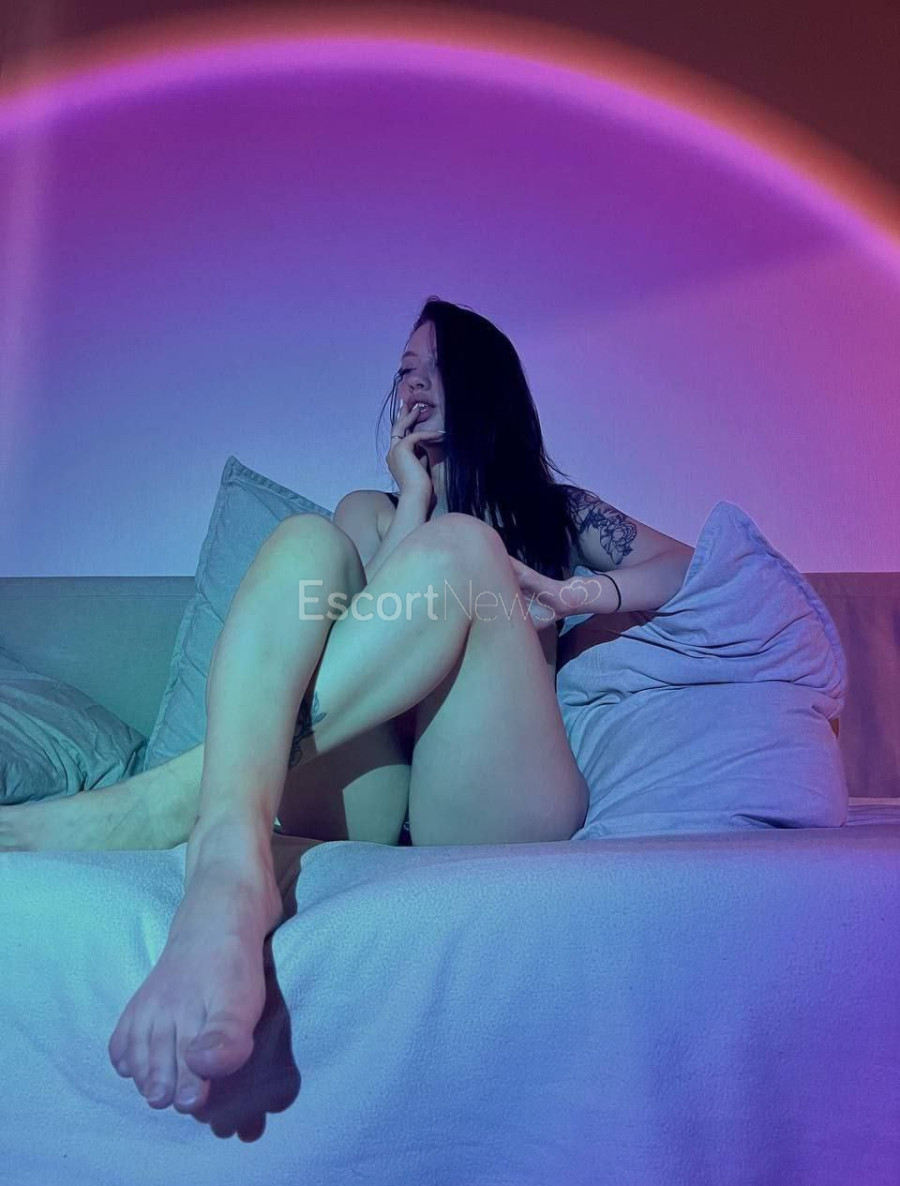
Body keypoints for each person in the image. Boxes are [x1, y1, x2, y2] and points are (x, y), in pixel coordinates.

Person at [3, 296, 694, 1114]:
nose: (414, 386)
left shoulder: (552, 509)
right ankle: (229, 864)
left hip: (496, 793)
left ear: (486, 385)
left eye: (436, 368)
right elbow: (367, 631)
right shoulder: (374, 511)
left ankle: (171, 800)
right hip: (372, 795)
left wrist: (577, 592)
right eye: (404, 372)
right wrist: (413, 498)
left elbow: (689, 567)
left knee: (465, 546)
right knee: (308, 540)